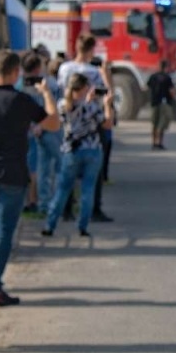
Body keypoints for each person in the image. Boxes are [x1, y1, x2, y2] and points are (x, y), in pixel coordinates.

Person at [0, 49, 61, 305]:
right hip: (12, 174)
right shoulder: (22, 101)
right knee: (3, 231)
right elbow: (53, 123)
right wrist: (47, 93)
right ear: (16, 72)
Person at [43, 73, 112, 239]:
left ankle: (50, 225)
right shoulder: (92, 106)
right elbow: (107, 124)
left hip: (71, 151)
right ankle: (83, 226)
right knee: (88, 189)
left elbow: (58, 118)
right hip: (93, 150)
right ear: (84, 88)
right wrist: (107, 104)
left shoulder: (63, 105)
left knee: (63, 189)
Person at [57, 35, 115, 224]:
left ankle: (66, 209)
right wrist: (106, 75)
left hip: (69, 119)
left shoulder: (65, 68)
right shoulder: (93, 72)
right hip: (91, 119)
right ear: (91, 50)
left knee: (69, 167)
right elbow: (106, 93)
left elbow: (60, 89)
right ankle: (93, 209)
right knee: (94, 169)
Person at [20, 51, 62, 216]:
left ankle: (39, 202)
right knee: (55, 166)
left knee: (38, 167)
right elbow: (54, 108)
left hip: (30, 130)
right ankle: (55, 202)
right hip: (49, 129)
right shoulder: (49, 84)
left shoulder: (21, 84)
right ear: (39, 68)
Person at [146, 59, 176, 149]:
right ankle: (159, 143)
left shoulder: (153, 76)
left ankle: (153, 143)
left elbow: (147, 88)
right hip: (164, 103)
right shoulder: (167, 77)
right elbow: (172, 91)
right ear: (165, 67)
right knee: (162, 125)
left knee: (154, 124)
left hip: (154, 102)